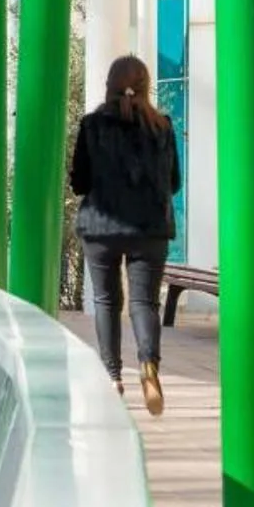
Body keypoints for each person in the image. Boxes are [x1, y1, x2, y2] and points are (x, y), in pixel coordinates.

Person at [69, 54, 181, 415]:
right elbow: (174, 183)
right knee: (144, 303)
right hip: (150, 229)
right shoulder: (162, 127)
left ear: (109, 85)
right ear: (147, 87)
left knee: (106, 301)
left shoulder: (92, 126)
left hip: (101, 228)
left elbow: (80, 182)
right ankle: (149, 366)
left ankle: (112, 376)